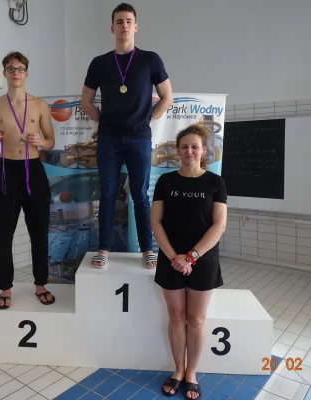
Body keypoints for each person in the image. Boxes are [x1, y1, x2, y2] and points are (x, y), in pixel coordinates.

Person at [81, 2, 173, 269]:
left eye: (128, 21)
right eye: (119, 21)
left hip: (139, 138)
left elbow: (167, 97)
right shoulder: (99, 63)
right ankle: (104, 249)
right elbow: (86, 101)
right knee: (108, 193)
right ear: (112, 28)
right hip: (109, 138)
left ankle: (147, 249)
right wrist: (104, 121)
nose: (124, 26)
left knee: (140, 195)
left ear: (136, 26)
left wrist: (145, 119)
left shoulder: (150, 59)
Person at [150, 124, 227, 398]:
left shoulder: (215, 183)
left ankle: (192, 373)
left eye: (195, 146)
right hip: (171, 257)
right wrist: (174, 257)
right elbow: (156, 222)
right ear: (177, 150)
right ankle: (178, 370)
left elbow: (218, 226)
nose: (189, 151)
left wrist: (191, 257)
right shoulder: (166, 181)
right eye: (184, 146)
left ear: (204, 150)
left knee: (195, 319)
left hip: (203, 259)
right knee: (176, 316)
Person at [0, 51, 56, 309]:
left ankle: (41, 284)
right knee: (3, 233)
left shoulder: (40, 105)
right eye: (11, 68)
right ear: (4, 72)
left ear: (27, 73)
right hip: (6, 171)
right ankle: (5, 288)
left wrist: (40, 142)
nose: (16, 73)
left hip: (33, 170)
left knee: (39, 231)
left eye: (20, 68)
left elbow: (51, 141)